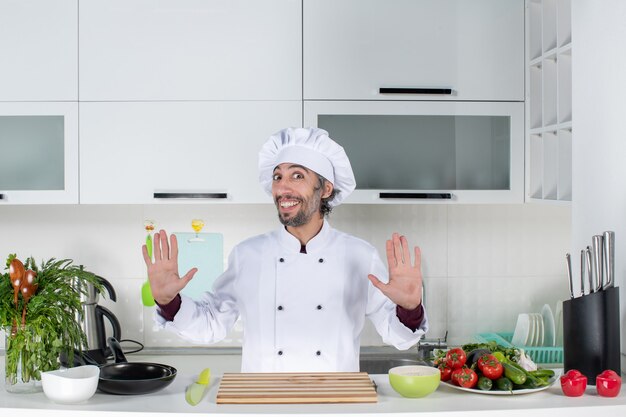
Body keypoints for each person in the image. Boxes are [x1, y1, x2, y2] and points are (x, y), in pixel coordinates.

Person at [142, 127, 428, 372]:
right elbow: (212, 324)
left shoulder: (360, 256)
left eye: (297, 176)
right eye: (278, 177)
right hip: (266, 403)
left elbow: (398, 336)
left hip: (333, 403)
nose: (282, 188)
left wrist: (410, 309)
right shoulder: (247, 255)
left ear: (325, 189)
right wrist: (170, 302)